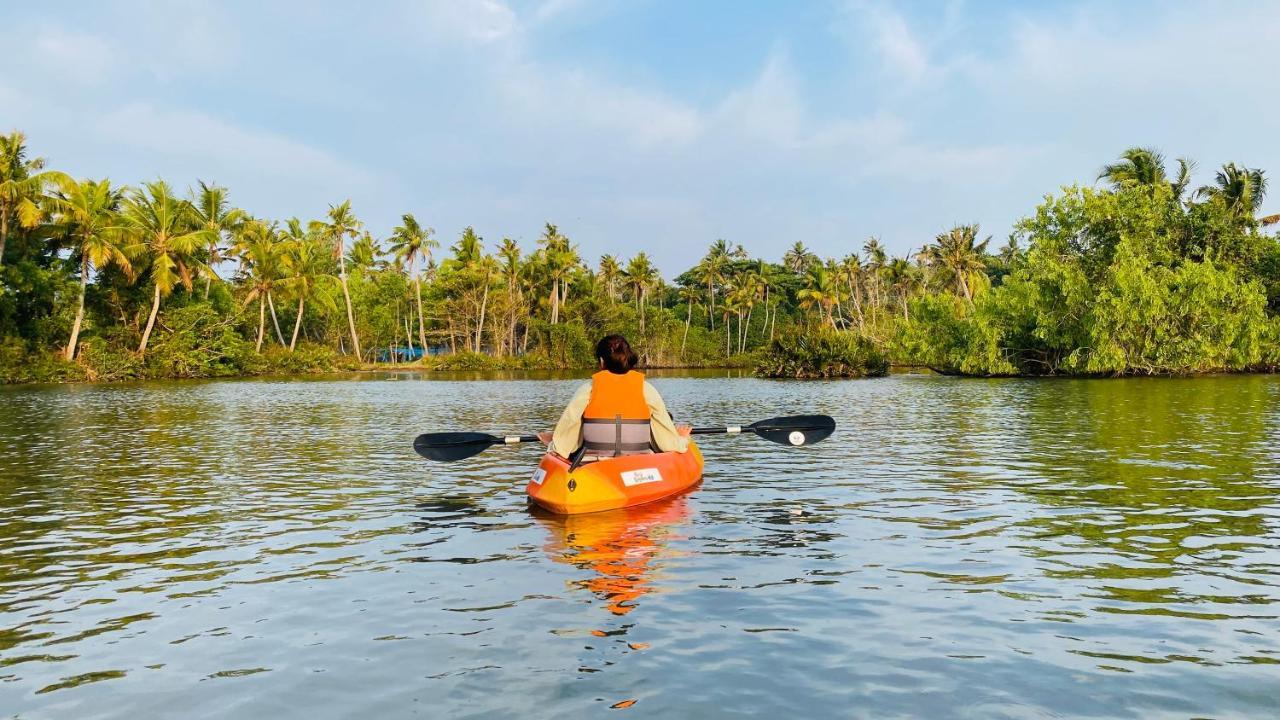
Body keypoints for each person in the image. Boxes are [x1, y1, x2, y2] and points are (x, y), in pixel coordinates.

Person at [540, 335, 689, 460]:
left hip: (594, 463)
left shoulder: (588, 389)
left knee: (574, 426)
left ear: (602, 361)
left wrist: (556, 444)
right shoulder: (647, 389)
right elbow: (666, 440)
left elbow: (571, 420)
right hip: (639, 462)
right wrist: (680, 439)